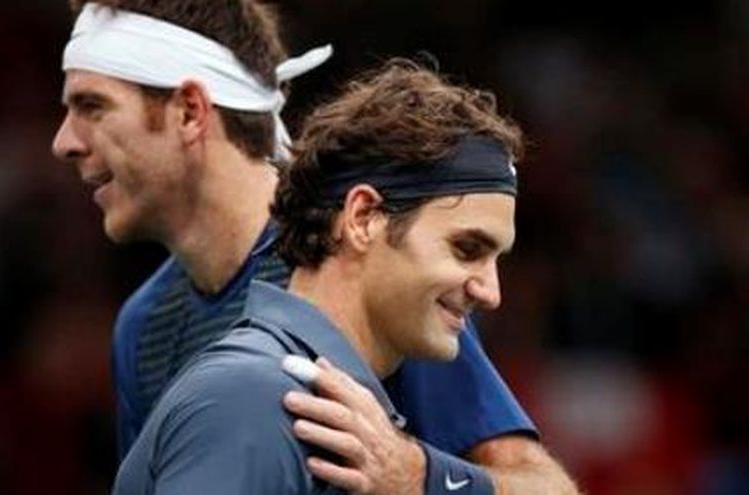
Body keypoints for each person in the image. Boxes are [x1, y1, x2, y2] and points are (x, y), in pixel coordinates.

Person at [52, 1, 579, 493]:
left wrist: (417, 474)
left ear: (191, 111)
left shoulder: (372, 277)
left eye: (92, 106)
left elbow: (543, 486)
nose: (64, 142)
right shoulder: (144, 326)